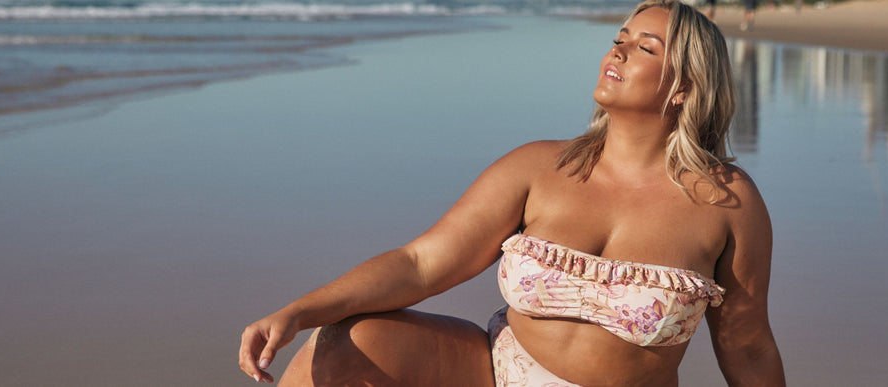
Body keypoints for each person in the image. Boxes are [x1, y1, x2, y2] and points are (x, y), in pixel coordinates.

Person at [238, 1, 786, 385]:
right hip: (495, 372)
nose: (616, 53)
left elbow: (746, 343)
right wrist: (299, 311)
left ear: (685, 86)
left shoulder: (726, 203)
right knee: (347, 340)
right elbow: (421, 263)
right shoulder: (540, 166)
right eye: (618, 39)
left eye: (644, 47)